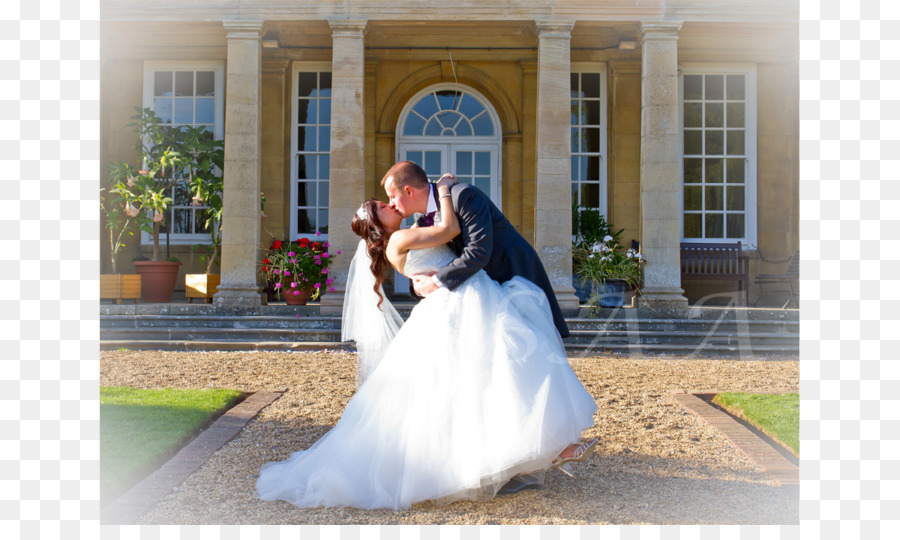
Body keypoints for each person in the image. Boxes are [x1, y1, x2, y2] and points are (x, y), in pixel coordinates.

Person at [256, 175, 598, 511]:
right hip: (459, 303)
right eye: (381, 206)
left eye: (388, 199)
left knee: (488, 379)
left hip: (469, 296)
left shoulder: (408, 230)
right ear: (378, 224)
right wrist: (445, 189)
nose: (389, 204)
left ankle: (527, 450)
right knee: (501, 369)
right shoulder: (399, 239)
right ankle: (526, 451)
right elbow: (449, 231)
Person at [382, 161, 570, 338]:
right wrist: (419, 284)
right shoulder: (422, 221)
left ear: (408, 191)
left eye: (392, 197)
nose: (391, 203)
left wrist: (436, 282)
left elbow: (478, 250)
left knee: (530, 345)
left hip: (511, 275)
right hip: (479, 293)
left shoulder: (463, 195)